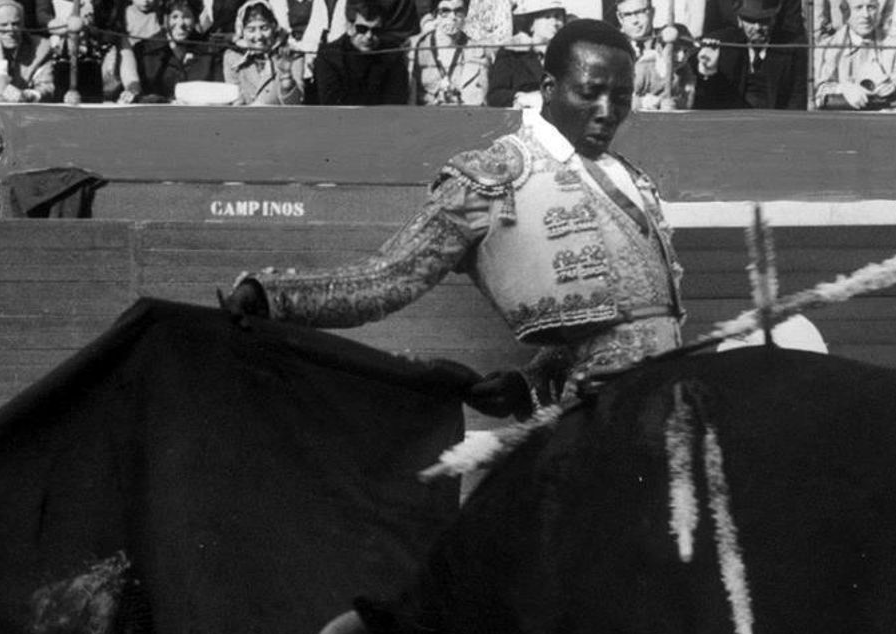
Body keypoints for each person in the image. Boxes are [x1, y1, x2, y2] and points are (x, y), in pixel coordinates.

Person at [223, 17, 684, 434]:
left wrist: (530, 384)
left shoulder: (633, 177)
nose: (607, 111)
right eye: (589, 92)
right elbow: (387, 279)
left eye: (621, 98)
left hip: (673, 400)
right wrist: (273, 297)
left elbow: (614, 324)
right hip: (597, 420)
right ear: (549, 86)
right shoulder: (494, 176)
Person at [692, 0, 808, 109]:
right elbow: (707, 100)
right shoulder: (722, 45)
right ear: (740, 20)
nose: (757, 27)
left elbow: (798, 98)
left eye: (764, 20)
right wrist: (707, 70)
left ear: (774, 19)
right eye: (751, 20)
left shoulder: (792, 48)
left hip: (776, 125)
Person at [813, 0, 896, 109]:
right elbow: (820, 90)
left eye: (871, 7)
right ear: (845, 12)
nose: (865, 15)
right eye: (858, 8)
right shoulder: (828, 47)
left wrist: (895, 85)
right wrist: (843, 89)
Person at [313, 0, 408, 103]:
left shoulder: (392, 55)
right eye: (362, 29)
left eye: (376, 30)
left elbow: (396, 100)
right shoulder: (329, 56)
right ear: (349, 27)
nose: (369, 36)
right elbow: (330, 103)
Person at [49, 0, 144, 102]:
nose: (87, 8)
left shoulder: (117, 40)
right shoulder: (61, 37)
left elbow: (131, 77)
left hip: (100, 108)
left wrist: (131, 92)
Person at [133, 0, 222, 101]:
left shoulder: (210, 51)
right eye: (174, 17)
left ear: (195, 19)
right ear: (164, 19)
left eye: (187, 17)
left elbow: (218, 93)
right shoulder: (144, 51)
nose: (180, 24)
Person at [0, 0, 56, 101]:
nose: (10, 30)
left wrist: (31, 95)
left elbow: (46, 89)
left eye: (15, 24)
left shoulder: (41, 47)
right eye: (3, 25)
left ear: (22, 25)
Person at [616, 0, 693, 108]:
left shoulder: (669, 39)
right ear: (619, 17)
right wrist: (641, 103)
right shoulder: (612, 47)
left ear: (652, 12)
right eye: (627, 15)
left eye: (640, 12)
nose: (634, 20)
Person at [486, 0, 563, 107]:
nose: (555, 23)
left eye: (558, 16)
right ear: (531, 24)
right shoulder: (511, 54)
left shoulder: (568, 57)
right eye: (547, 17)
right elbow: (495, 96)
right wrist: (522, 98)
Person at [223, 0, 304, 102]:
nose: (259, 36)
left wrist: (286, 76)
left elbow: (295, 106)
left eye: (264, 28)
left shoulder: (291, 55)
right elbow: (235, 99)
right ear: (242, 31)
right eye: (251, 30)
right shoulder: (233, 57)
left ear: (274, 26)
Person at [412, 0, 488, 104]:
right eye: (445, 11)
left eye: (459, 11)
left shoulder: (478, 52)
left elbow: (481, 97)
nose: (453, 17)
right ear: (435, 14)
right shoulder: (416, 49)